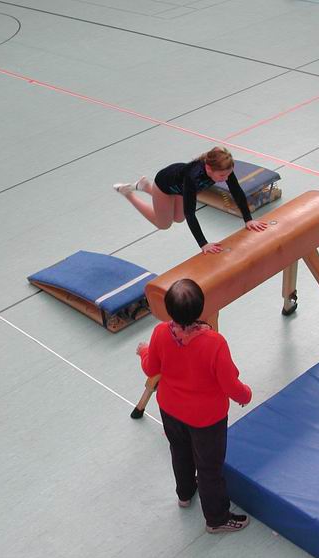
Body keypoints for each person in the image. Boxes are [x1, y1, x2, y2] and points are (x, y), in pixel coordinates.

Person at [136, 279, 252, 534]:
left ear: (169, 310)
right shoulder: (214, 343)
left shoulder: (160, 333)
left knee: (179, 451)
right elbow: (230, 384)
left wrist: (144, 351)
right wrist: (245, 395)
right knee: (209, 468)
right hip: (206, 420)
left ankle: (185, 493)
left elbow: (151, 368)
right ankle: (217, 519)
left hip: (170, 410)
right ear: (202, 308)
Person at [114, 146, 268, 254]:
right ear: (208, 169)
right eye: (222, 176)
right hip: (165, 185)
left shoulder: (224, 168)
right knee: (164, 224)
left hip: (180, 187)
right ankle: (129, 193)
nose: (226, 178)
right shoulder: (192, 177)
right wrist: (203, 244)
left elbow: (236, 190)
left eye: (228, 174)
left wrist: (248, 219)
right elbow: (190, 213)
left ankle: (146, 186)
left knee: (178, 218)